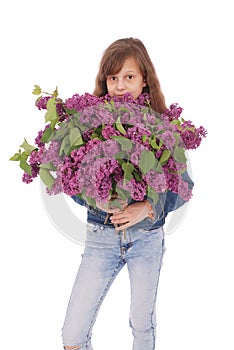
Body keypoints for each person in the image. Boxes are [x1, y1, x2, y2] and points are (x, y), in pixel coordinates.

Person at [62, 37, 194, 350]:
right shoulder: (89, 125)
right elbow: (72, 182)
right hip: (102, 237)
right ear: (104, 81)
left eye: (129, 77)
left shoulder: (163, 126)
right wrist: (96, 196)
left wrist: (148, 207)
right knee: (72, 336)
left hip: (146, 239)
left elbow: (184, 186)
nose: (120, 86)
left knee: (141, 325)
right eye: (113, 78)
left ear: (144, 79)